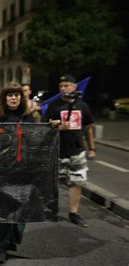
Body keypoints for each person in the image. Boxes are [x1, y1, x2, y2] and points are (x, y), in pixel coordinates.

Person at [0, 82, 38, 264]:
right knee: (0, 209)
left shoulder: (28, 118)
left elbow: (39, 138)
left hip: (22, 171)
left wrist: (52, 126)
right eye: (9, 95)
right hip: (1, 170)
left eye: (16, 95)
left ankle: (4, 243)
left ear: (21, 98)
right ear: (4, 98)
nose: (13, 98)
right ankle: (1, 242)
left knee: (15, 209)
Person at [46, 74, 96, 228]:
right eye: (61, 86)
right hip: (57, 150)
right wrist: (57, 126)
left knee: (76, 182)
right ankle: (49, 209)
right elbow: (46, 128)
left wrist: (92, 148)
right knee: (54, 182)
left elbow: (88, 129)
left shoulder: (82, 106)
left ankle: (74, 212)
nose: (63, 88)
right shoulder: (54, 106)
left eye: (67, 85)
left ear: (75, 87)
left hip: (77, 151)